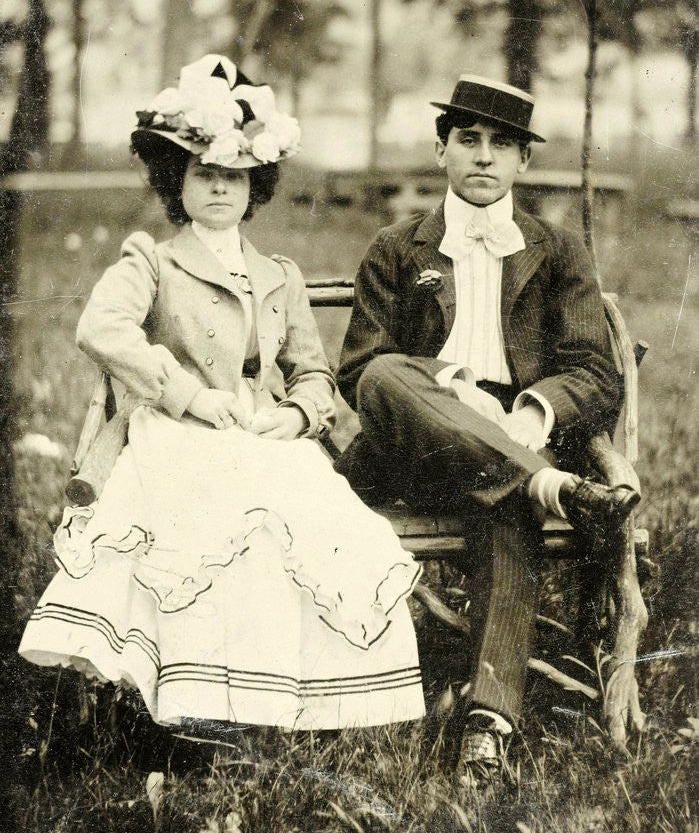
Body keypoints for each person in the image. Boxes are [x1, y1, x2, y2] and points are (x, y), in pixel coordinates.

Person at [19, 55, 424, 735]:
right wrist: (186, 395)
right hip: (175, 427)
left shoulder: (277, 273)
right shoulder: (153, 257)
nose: (218, 190)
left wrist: (297, 413)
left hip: (260, 428)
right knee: (210, 525)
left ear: (254, 186)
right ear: (177, 182)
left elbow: (313, 372)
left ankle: (273, 701)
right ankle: (195, 705)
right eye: (204, 175)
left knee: (313, 522)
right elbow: (102, 328)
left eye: (234, 178)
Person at [334, 74, 640, 781]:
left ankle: (487, 723)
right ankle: (551, 487)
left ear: (522, 164)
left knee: (506, 501)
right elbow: (361, 373)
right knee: (387, 374)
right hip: (416, 440)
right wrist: (456, 398)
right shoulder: (396, 246)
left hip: (519, 439)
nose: (482, 157)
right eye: (466, 140)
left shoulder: (556, 250)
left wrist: (529, 414)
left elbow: (595, 372)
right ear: (440, 150)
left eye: (501, 145)